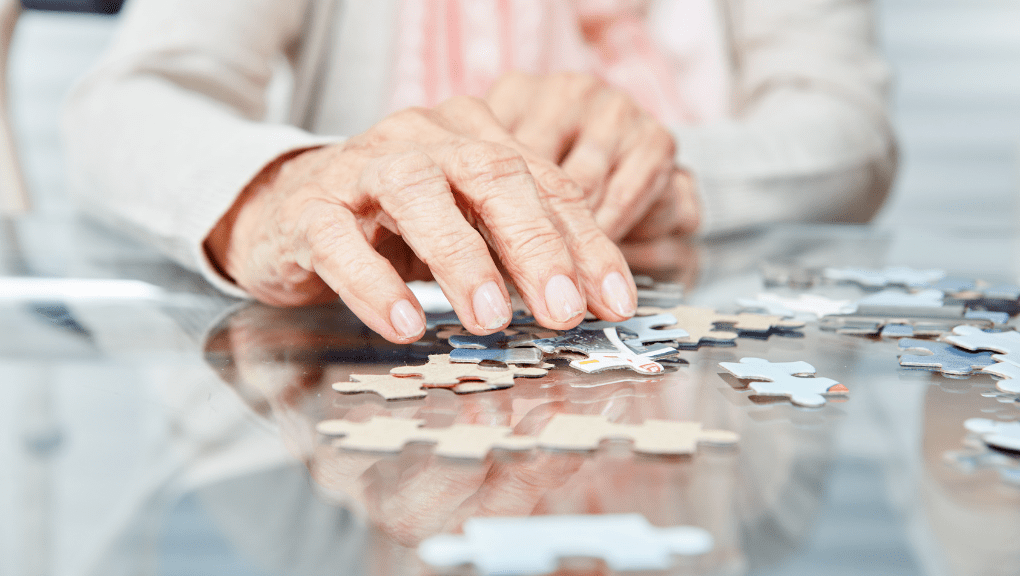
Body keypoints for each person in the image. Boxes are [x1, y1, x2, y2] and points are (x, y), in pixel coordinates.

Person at [63, 0, 896, 343]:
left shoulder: (753, 527)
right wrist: (282, 187)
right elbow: (124, 101)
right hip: (367, 349)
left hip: (679, 334)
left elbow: (850, 132)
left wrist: (661, 170)